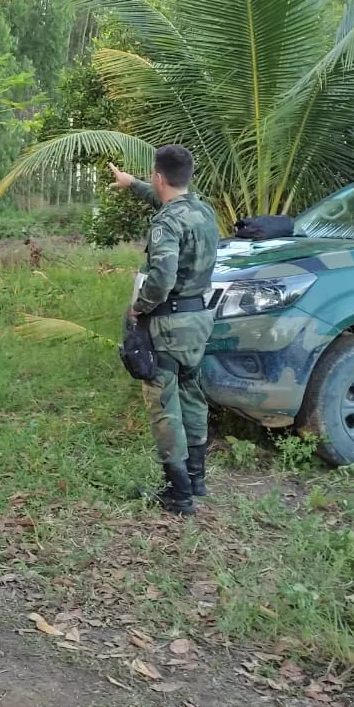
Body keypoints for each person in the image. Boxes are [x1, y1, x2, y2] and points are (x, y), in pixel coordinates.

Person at [109, 147, 218, 515]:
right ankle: (197, 478)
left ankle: (177, 492)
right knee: (192, 393)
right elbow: (167, 200)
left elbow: (162, 276)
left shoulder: (166, 223)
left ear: (159, 176)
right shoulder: (203, 211)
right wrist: (131, 184)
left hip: (168, 323)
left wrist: (139, 307)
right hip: (198, 321)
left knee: (163, 405)